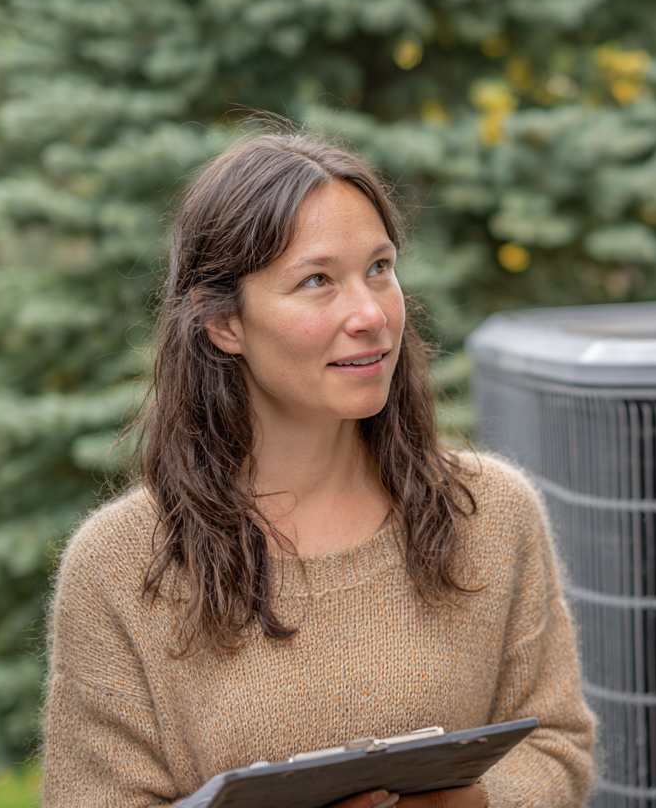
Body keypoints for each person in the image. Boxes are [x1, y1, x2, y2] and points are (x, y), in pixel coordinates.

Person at [41, 133, 595, 808]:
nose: (371, 314)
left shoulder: (491, 511)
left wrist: (478, 802)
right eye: (317, 281)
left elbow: (557, 744)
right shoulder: (119, 565)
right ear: (223, 323)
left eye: (380, 268)